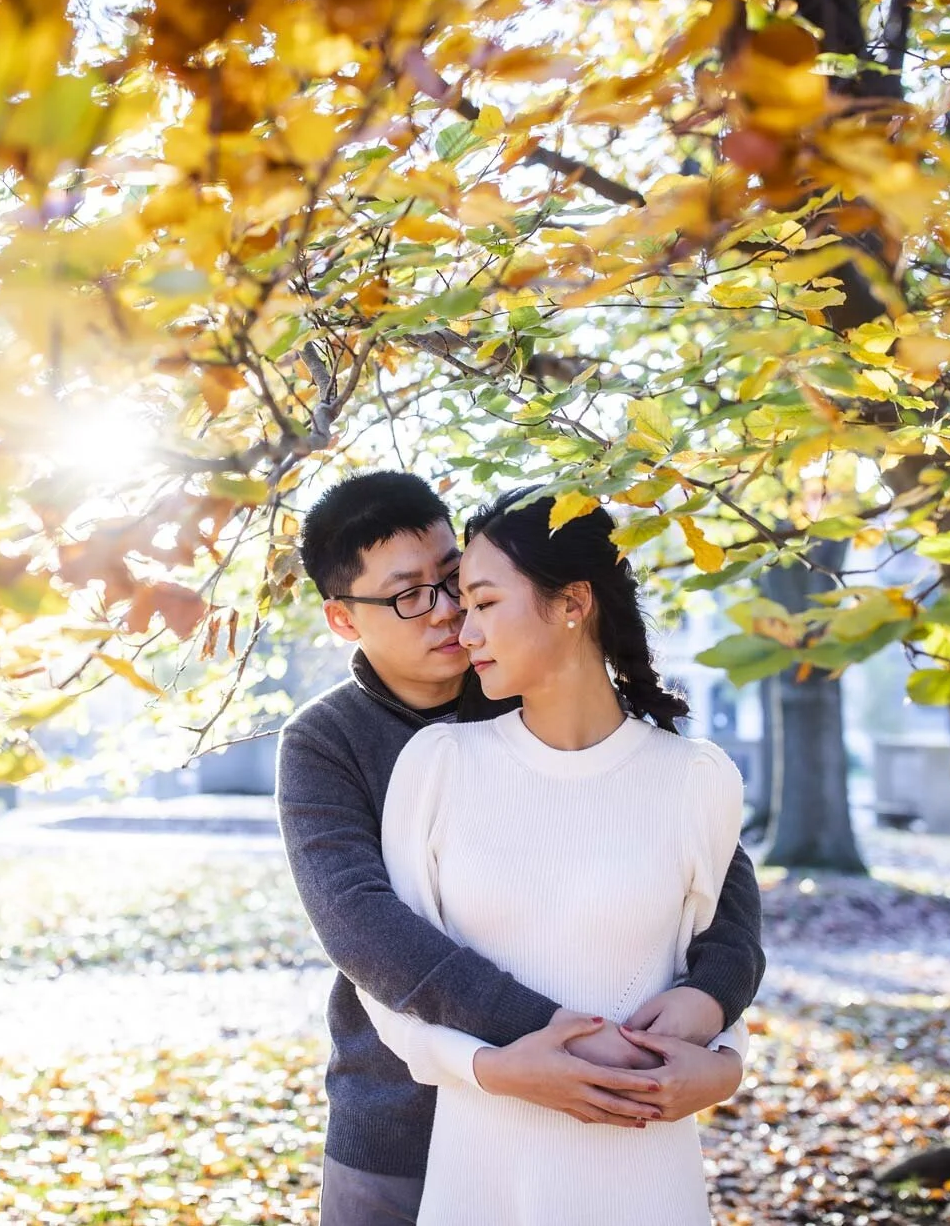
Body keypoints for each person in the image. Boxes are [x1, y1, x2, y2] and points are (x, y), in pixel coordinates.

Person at [277, 472, 765, 1226]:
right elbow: (362, 925)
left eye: (456, 580)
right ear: (344, 618)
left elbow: (718, 889)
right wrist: (554, 1039)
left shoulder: (535, 686)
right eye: (410, 596)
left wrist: (712, 1013)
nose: (449, 612)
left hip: (605, 1124)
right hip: (400, 1119)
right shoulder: (328, 740)